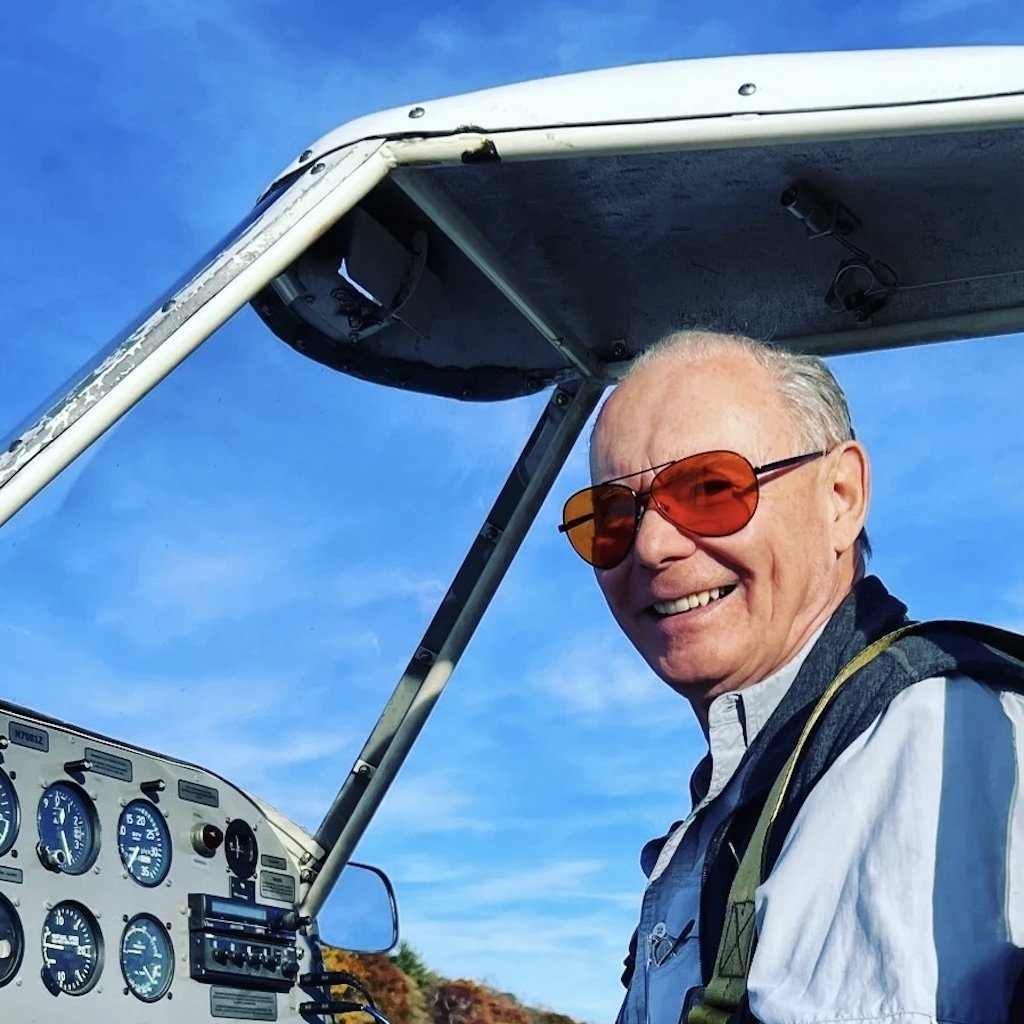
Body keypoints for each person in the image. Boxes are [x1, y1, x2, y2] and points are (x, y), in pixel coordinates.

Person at [557, 330, 1024, 1024]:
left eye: (711, 487)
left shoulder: (929, 740)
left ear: (840, 496)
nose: (651, 547)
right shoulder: (766, 780)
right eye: (611, 517)